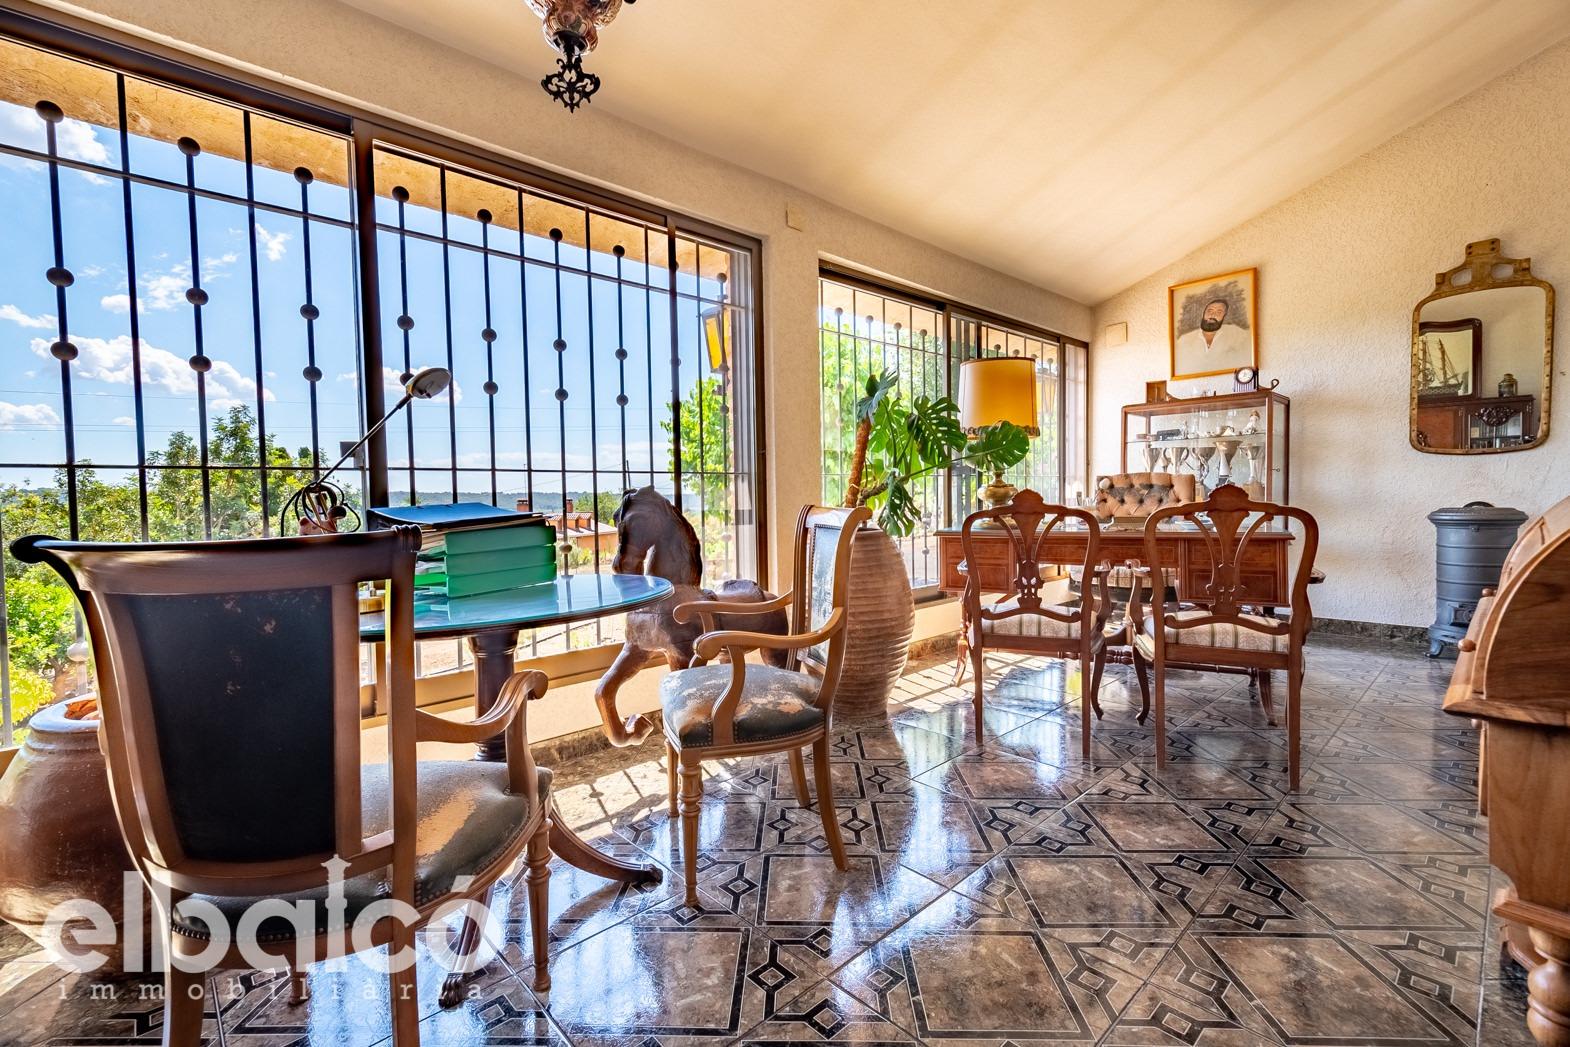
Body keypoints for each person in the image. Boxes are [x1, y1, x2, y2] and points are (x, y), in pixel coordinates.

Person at [1174, 297, 1250, 370]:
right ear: (1203, 314)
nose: (1213, 315)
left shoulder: (1235, 333)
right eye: (1209, 311)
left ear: (1224, 316)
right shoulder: (1185, 339)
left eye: (1219, 312)